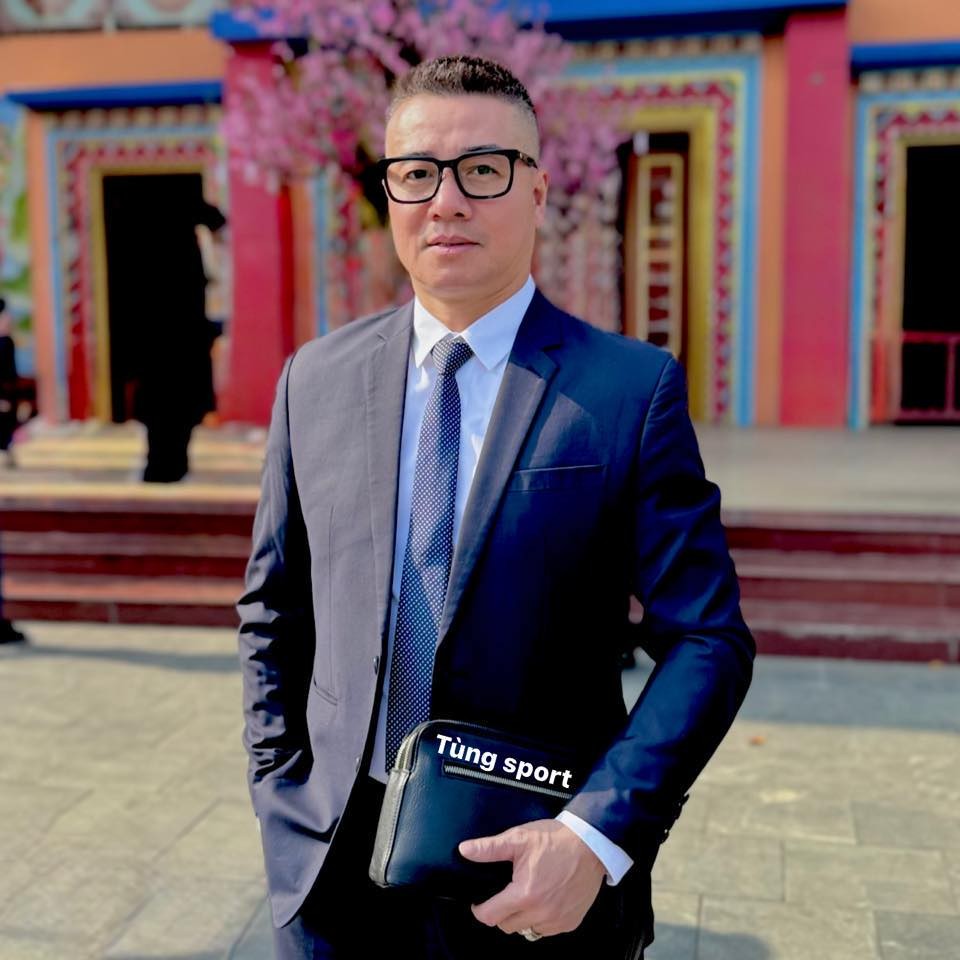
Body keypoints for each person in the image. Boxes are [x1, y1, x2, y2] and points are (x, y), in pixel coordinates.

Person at [238, 56, 754, 960]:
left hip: (532, 872)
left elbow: (708, 640)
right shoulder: (313, 381)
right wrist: (281, 789)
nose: (447, 201)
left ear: (538, 190)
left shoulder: (626, 392)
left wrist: (594, 836)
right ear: (391, 190)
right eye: (417, 173)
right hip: (331, 876)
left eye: (483, 169)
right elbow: (274, 609)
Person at [134, 195, 225, 482]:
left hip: (165, 349)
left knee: (166, 412)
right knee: (174, 410)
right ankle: (168, 464)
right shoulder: (185, 254)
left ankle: (162, 464)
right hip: (178, 347)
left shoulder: (158, 252)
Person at [0, 297, 18, 468]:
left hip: (7, 391)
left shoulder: (7, 342)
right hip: (4, 392)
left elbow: (9, 373)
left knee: (6, 423)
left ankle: (8, 452)